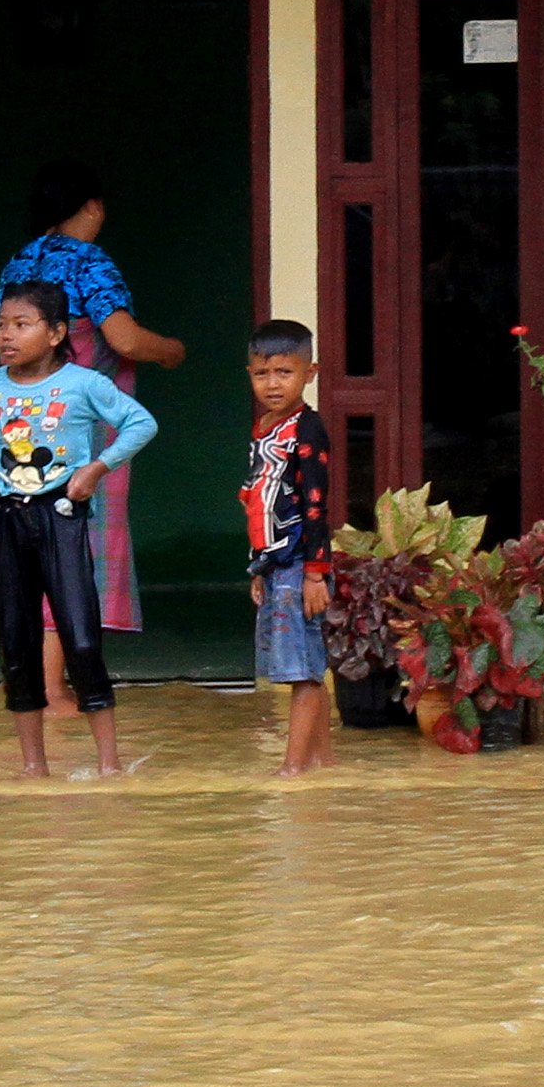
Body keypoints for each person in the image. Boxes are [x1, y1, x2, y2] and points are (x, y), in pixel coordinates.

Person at [0, 280, 157, 780]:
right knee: (16, 644)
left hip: (62, 519)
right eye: (1, 325)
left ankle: (109, 765)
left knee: (81, 640)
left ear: (57, 332)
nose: (6, 335)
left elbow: (140, 423)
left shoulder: (84, 384)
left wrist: (96, 469)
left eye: (22, 325)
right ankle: (33, 767)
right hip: (9, 521)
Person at [0, 160, 188, 640]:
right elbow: (123, 340)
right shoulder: (88, 261)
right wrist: (170, 351)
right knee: (76, 543)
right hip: (82, 425)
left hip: (24, 418)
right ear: (93, 207)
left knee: (32, 541)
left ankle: (34, 671)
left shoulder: (17, 265)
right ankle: (57, 676)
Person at [241, 319, 338, 775]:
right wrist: (259, 567)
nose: (273, 384)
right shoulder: (264, 427)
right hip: (277, 564)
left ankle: (293, 769)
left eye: (285, 372)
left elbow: (315, 504)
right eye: (262, 374)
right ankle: (321, 761)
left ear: (309, 373)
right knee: (303, 666)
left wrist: (316, 573)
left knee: (302, 670)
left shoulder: (307, 429)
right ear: (250, 374)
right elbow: (257, 501)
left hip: (301, 564)